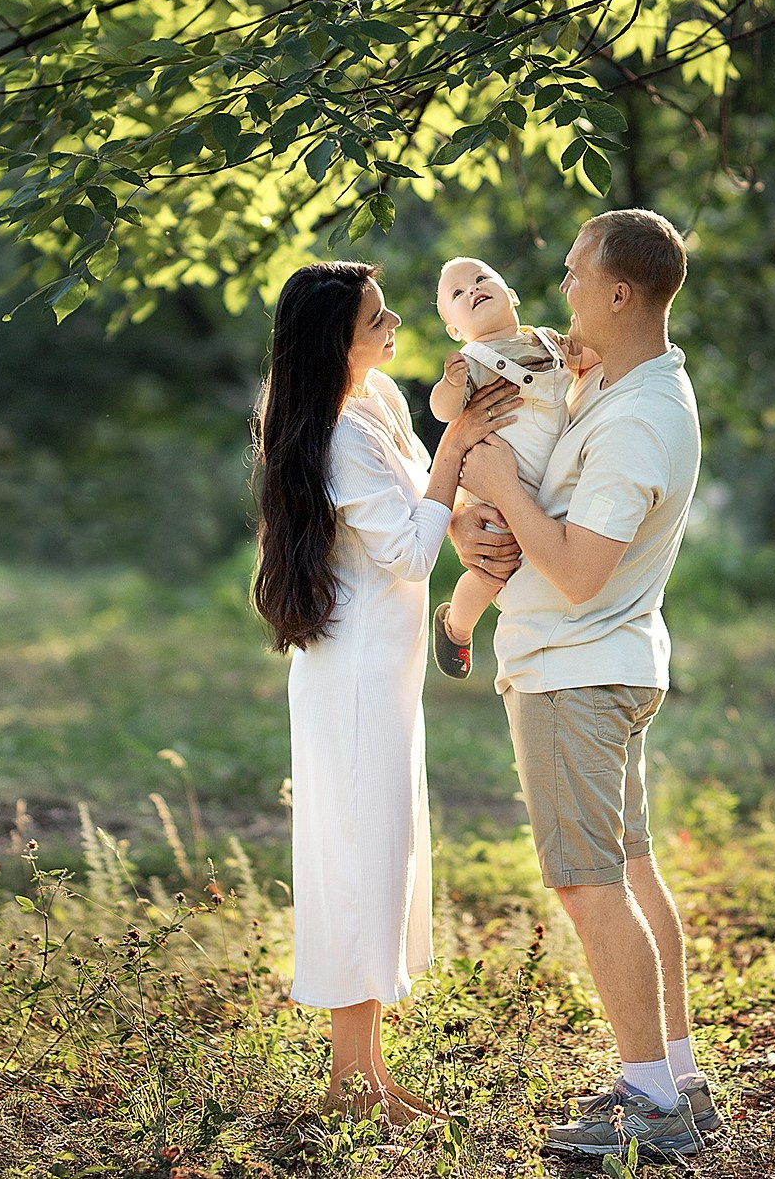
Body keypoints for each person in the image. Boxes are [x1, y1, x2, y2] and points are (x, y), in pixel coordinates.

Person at [452, 209, 715, 1160]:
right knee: (630, 870)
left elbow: (577, 571)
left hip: (576, 673)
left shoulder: (640, 421)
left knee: (586, 882)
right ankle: (679, 1075)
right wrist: (479, 519)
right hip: (604, 665)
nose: (558, 287)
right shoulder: (614, 385)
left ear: (619, 293)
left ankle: (650, 1101)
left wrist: (501, 488)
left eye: (573, 274)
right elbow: (537, 509)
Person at [251, 259, 520, 1125]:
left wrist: (471, 508)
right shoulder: (333, 432)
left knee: (381, 854)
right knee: (358, 861)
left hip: (388, 670)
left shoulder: (380, 405)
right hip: (356, 672)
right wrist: (451, 457)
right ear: (338, 339)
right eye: (377, 316)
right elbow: (409, 550)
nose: (397, 320)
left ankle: (367, 1072)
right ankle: (349, 1082)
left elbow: (425, 514)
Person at [427, 255, 597, 680]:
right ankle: (457, 627)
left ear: (512, 295)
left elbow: (587, 362)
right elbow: (443, 412)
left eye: (481, 278)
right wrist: (450, 384)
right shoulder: (473, 360)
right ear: (455, 330)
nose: (473, 290)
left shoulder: (547, 341)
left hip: (552, 479)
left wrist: (588, 353)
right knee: (494, 568)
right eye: (458, 293)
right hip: (501, 481)